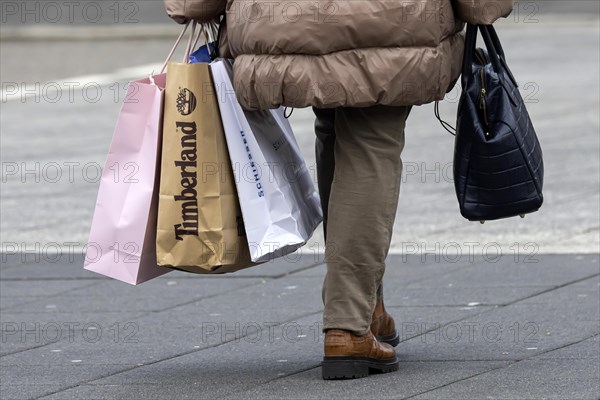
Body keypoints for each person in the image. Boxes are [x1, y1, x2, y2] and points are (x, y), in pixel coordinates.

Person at [164, 0, 514, 380]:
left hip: (285, 19)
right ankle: (348, 326)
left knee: (333, 121)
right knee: (370, 142)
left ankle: (367, 308)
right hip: (391, 23)